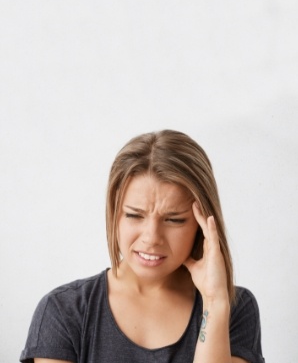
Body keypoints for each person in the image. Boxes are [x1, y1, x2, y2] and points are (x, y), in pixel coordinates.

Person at [20, 129, 265, 363]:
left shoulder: (233, 308)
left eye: (173, 220)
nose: (151, 237)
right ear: (114, 213)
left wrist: (213, 302)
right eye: (134, 215)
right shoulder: (63, 311)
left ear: (201, 226)